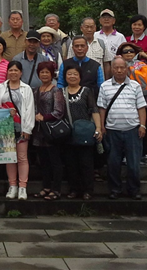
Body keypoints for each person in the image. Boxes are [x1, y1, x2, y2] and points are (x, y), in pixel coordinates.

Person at [98, 57, 147, 200]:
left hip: (132, 129)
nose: (119, 70)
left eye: (122, 67)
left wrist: (142, 125)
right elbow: (102, 108)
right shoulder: (104, 86)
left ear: (127, 69)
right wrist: (101, 127)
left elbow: (141, 107)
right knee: (113, 163)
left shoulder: (135, 86)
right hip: (112, 130)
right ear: (112, 69)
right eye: (116, 68)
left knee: (133, 164)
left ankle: (134, 189)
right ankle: (115, 189)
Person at [116, 41, 147, 167]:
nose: (129, 53)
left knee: (146, 129)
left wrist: (146, 56)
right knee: (129, 130)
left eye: (131, 51)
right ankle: (127, 155)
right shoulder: (120, 67)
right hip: (129, 104)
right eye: (125, 51)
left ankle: (144, 154)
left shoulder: (142, 64)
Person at [62, 61, 102, 200]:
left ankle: (88, 190)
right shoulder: (61, 92)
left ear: (80, 76)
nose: (72, 76)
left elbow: (94, 110)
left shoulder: (86, 91)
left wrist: (98, 128)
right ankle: (74, 190)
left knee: (86, 163)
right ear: (65, 76)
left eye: (75, 74)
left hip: (84, 132)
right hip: (67, 133)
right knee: (70, 163)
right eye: (69, 74)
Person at [0, 60, 34, 201]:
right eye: (10, 70)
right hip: (5, 127)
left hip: (21, 127)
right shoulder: (2, 87)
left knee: (22, 157)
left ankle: (23, 187)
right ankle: (12, 186)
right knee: (9, 158)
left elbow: (30, 109)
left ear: (21, 72)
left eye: (16, 70)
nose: (13, 73)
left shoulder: (26, 88)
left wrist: (28, 128)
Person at [32, 61, 66, 201]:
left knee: (55, 161)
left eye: (47, 72)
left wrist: (44, 117)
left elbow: (59, 112)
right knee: (43, 161)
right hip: (39, 131)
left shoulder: (56, 90)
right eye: (42, 72)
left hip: (52, 131)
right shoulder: (35, 90)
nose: (44, 74)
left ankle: (56, 189)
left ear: (52, 74)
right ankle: (46, 186)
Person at [95, 9, 125, 78]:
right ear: (100, 20)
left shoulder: (120, 37)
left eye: (109, 18)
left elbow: (124, 54)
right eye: (104, 18)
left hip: (116, 70)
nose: (106, 19)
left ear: (114, 21)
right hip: (99, 68)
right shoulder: (95, 35)